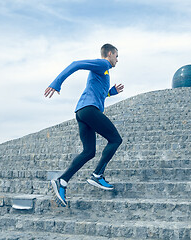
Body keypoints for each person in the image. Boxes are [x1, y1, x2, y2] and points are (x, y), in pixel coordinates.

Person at [44, 43, 124, 207]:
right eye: (116, 56)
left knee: (89, 152)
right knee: (115, 139)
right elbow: (76, 64)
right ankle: (97, 175)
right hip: (89, 110)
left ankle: (62, 181)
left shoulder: (104, 71)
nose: (117, 59)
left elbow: (99, 93)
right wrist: (56, 83)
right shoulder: (103, 64)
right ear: (109, 54)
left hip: (82, 111)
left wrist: (111, 92)